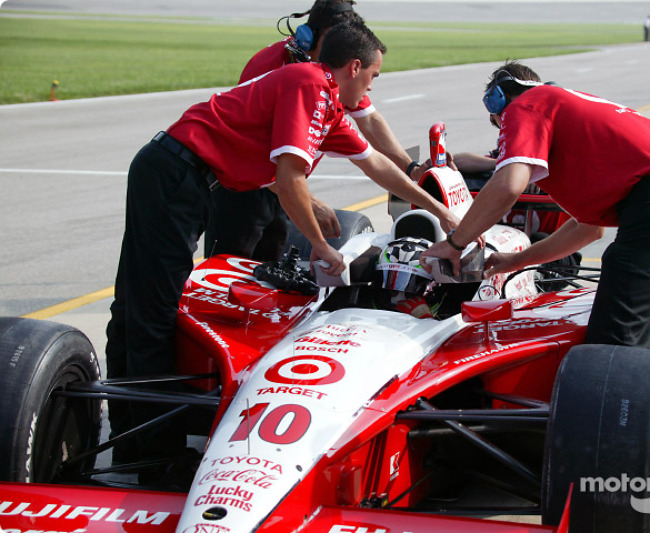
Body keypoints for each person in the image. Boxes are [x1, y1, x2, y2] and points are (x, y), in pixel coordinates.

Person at [105, 20, 459, 484]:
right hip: (175, 174)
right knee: (151, 310)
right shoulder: (311, 84)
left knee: (138, 306)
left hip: (187, 177)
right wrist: (318, 245)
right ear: (353, 67)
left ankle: (131, 438)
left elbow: (375, 163)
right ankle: (154, 457)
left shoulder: (329, 104)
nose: (372, 85)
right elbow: (291, 178)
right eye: (373, 76)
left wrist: (437, 207)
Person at [420, 61, 650, 478]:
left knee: (615, 338)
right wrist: (513, 261)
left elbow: (508, 185)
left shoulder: (527, 105)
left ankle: (615, 464)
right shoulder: (573, 112)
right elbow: (588, 230)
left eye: (496, 118)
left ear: (502, 99)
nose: (499, 126)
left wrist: (455, 243)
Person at [206, 0, 426, 262]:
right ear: (312, 36)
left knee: (271, 268)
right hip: (244, 187)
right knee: (228, 271)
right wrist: (308, 200)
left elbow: (369, 121)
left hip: (284, 186)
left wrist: (410, 167)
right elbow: (243, 148)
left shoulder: (338, 73)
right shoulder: (271, 66)